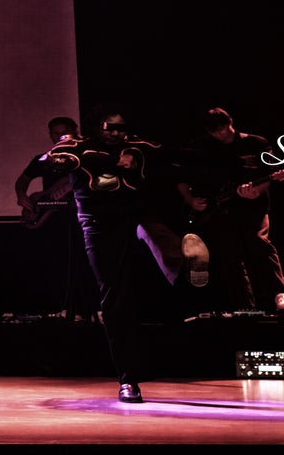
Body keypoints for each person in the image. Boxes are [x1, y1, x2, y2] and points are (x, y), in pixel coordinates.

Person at [42, 103, 176, 404]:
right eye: (110, 128)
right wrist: (104, 160)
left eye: (121, 128)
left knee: (161, 238)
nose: (116, 133)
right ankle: (128, 379)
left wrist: (135, 156)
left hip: (135, 217)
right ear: (97, 127)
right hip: (99, 225)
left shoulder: (137, 145)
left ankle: (185, 268)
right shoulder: (78, 146)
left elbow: (168, 154)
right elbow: (51, 160)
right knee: (116, 300)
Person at [175, 107, 284, 316]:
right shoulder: (200, 147)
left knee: (259, 243)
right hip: (219, 211)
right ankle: (244, 308)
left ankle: (280, 294)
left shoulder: (255, 144)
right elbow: (181, 177)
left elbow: (269, 175)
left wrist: (255, 191)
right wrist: (190, 200)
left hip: (253, 207)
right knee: (230, 256)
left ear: (230, 122)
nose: (220, 134)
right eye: (214, 131)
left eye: (222, 128)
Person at [14, 116, 99, 321]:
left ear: (75, 131)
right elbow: (22, 181)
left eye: (65, 132)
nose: (61, 137)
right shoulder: (45, 159)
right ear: (50, 135)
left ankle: (92, 309)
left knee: (89, 263)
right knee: (61, 264)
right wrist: (23, 196)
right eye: (56, 133)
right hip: (55, 220)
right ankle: (66, 308)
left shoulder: (88, 157)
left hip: (85, 217)